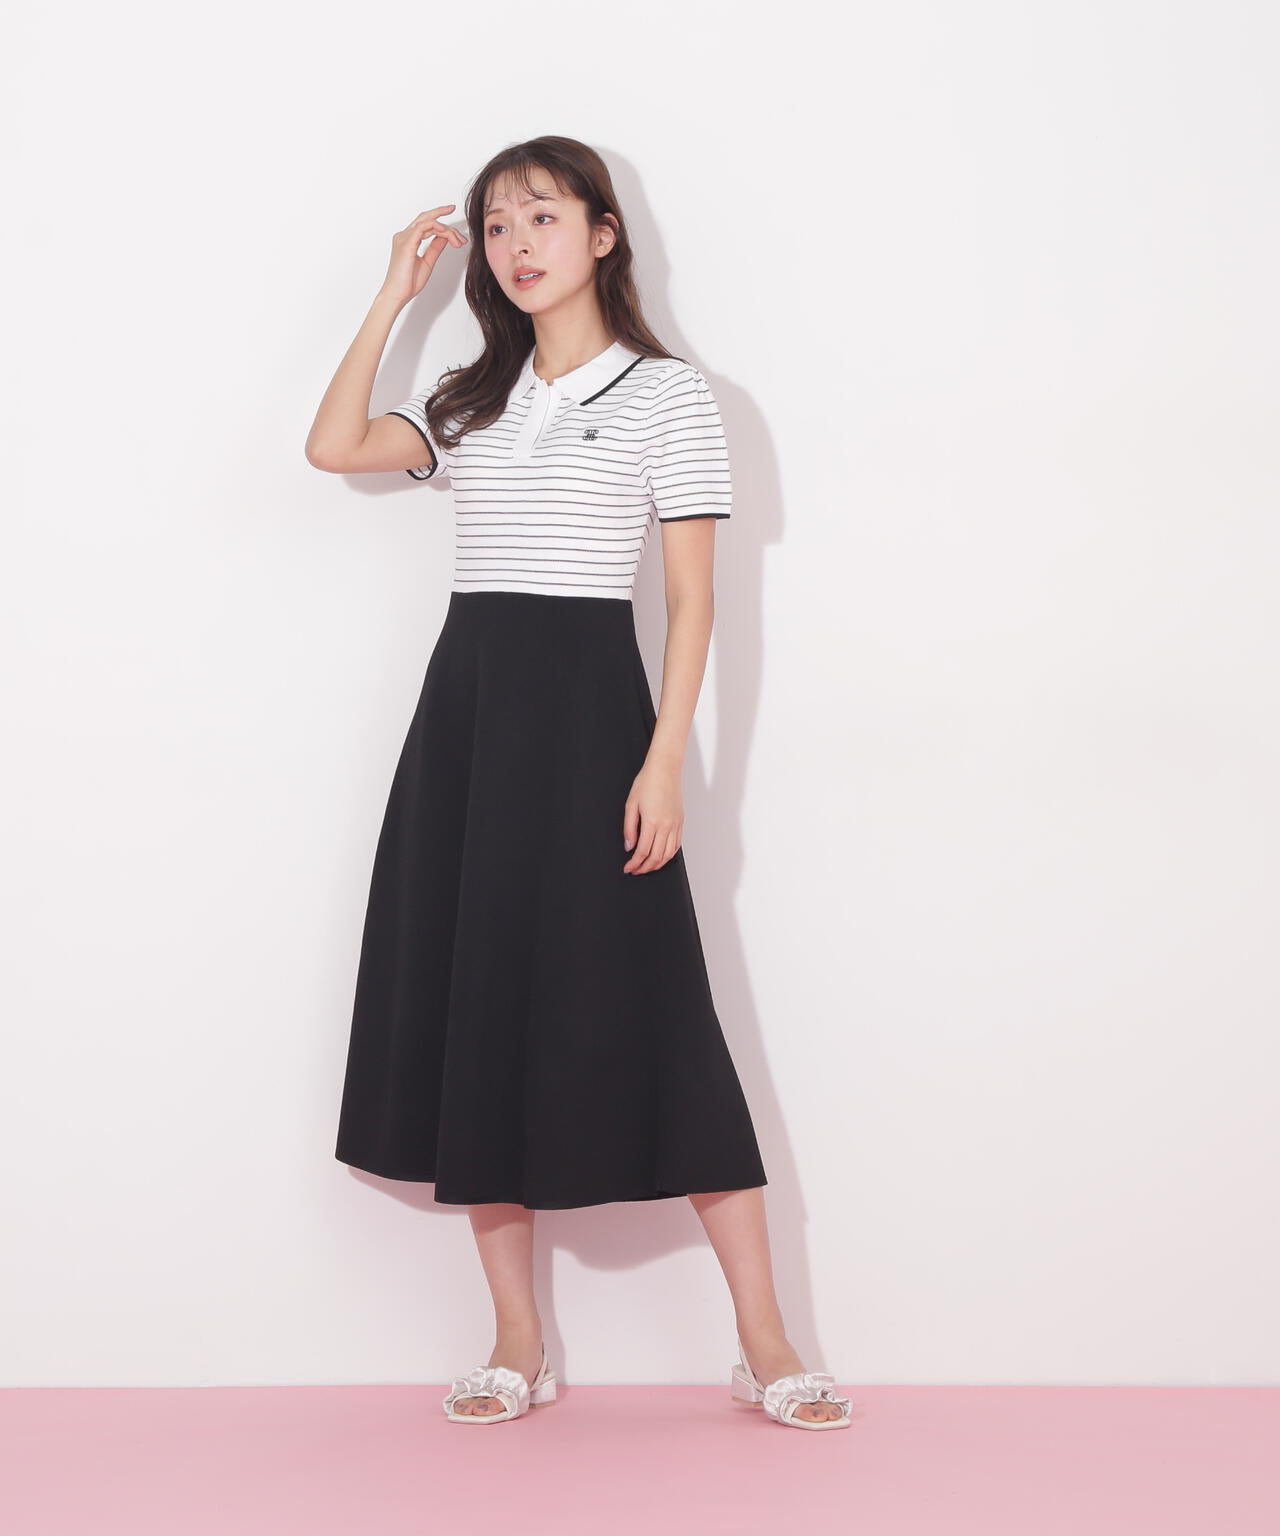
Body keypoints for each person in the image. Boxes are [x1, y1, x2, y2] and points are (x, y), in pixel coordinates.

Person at [305, 136, 850, 1431]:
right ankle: (516, 1340)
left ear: (604, 233)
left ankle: (766, 1342)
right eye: (497, 226)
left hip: (598, 724)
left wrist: (663, 761)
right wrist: (394, 292)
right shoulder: (469, 397)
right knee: (479, 1009)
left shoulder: (672, 397)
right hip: (470, 729)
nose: (516, 245)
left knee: (668, 1018)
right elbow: (333, 446)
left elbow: (694, 602)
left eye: (541, 217)